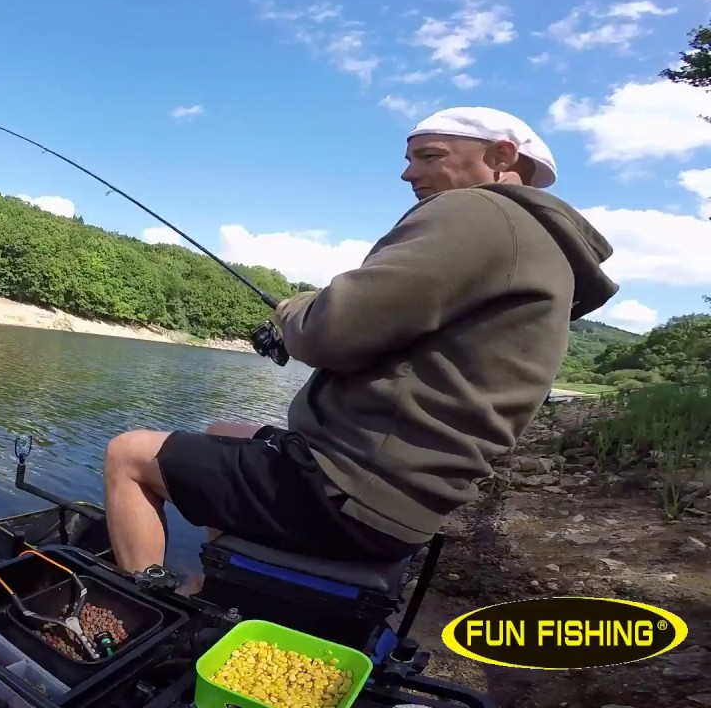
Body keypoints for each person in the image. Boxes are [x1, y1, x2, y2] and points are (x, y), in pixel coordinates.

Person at [101, 106, 620, 582]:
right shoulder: (542, 249)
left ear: (501, 155)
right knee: (222, 429)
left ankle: (145, 606)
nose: (408, 173)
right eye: (409, 157)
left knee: (127, 453)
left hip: (351, 492)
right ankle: (219, 583)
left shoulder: (476, 213)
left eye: (429, 156)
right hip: (410, 491)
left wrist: (295, 309)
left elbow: (332, 332)